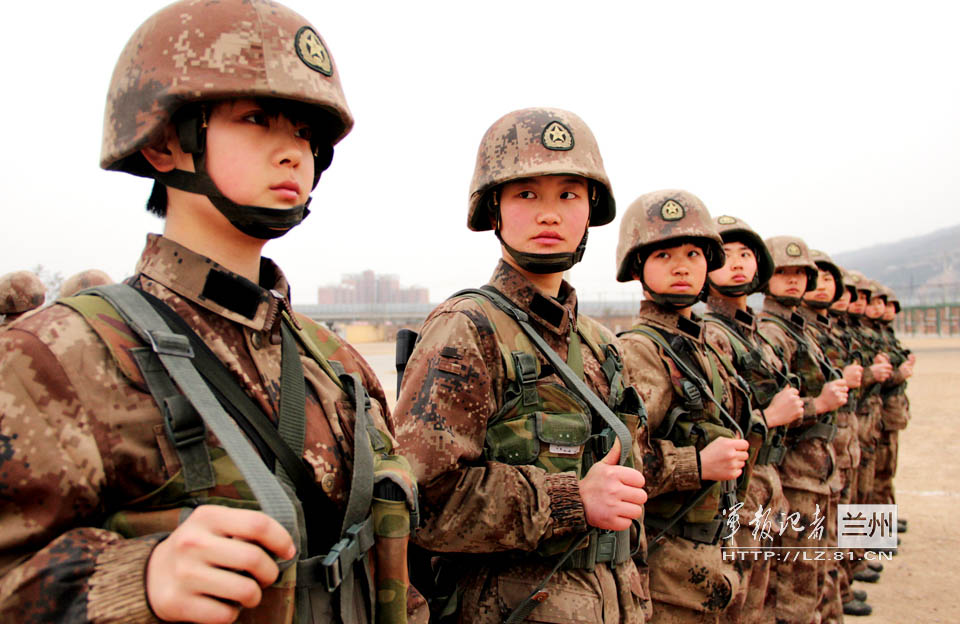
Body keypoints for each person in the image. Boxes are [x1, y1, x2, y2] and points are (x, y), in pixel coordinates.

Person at [0, 2, 418, 623]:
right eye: (257, 120)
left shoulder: (340, 366)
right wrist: (136, 578)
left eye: (306, 132)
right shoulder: (57, 358)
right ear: (166, 143)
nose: (293, 153)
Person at [391, 107, 651, 624]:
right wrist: (571, 498)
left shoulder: (600, 344)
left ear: (590, 209)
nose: (549, 214)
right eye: (526, 194)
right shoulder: (467, 329)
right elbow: (423, 500)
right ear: (494, 211)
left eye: (568, 195)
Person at [615, 191, 749, 623]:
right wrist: (697, 463)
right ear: (638, 268)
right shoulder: (637, 352)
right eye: (664, 255)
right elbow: (619, 464)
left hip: (715, 553)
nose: (681, 265)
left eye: (693, 253)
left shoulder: (707, 345)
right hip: (668, 569)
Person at [702, 215, 803, 623]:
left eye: (746, 254)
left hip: (776, 478)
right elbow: (711, 426)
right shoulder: (711, 334)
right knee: (743, 603)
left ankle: (838, 595)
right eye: (726, 255)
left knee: (774, 589)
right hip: (741, 492)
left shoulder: (757, 332)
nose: (738, 263)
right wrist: (772, 417)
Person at [757, 236, 849, 624]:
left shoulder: (805, 329)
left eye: (802, 273)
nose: (795, 280)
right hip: (795, 470)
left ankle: (842, 590)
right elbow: (774, 407)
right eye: (783, 272)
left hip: (829, 456)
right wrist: (820, 404)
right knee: (795, 577)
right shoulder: (773, 332)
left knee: (819, 558)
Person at [800, 249, 865, 622]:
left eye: (829, 279)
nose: (823, 286)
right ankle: (842, 589)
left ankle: (854, 570)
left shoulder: (831, 331)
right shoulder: (799, 332)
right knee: (823, 539)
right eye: (817, 277)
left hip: (851, 434)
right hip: (814, 453)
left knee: (869, 493)